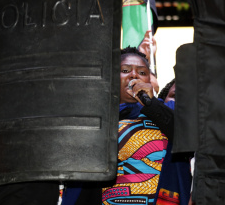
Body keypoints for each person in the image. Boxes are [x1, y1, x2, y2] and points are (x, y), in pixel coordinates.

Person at [62, 47, 191, 205]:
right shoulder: (95, 119)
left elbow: (188, 139)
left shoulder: (167, 111)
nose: (134, 75)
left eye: (142, 72)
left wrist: (151, 105)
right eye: (125, 70)